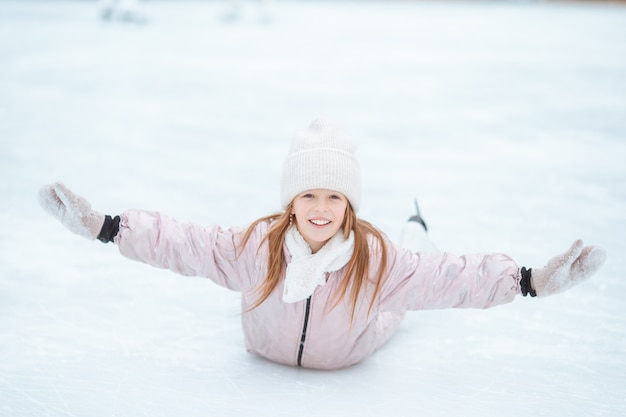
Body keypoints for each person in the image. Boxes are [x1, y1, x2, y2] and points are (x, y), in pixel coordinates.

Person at [38, 118, 607, 370]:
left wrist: (528, 281)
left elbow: (448, 278)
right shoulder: (256, 248)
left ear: (350, 208)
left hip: (353, 347)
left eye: (334, 199)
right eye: (308, 195)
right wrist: (107, 226)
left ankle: (417, 226)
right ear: (290, 202)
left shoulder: (373, 260)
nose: (320, 209)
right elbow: (184, 242)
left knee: (404, 297)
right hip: (264, 347)